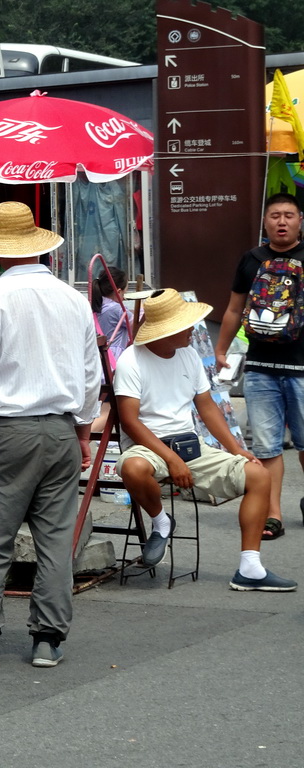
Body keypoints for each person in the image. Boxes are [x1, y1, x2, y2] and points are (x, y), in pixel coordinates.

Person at [0, 201, 100, 670]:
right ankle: (48, 640)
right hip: (61, 430)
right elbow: (91, 376)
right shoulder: (72, 297)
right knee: (55, 541)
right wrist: (84, 432)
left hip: (7, 431)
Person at [115, 289, 296, 592]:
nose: (192, 330)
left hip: (189, 444)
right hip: (147, 447)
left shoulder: (187, 355)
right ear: (167, 331)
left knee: (259, 475)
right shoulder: (131, 360)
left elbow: (207, 406)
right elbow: (130, 421)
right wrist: (171, 459)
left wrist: (237, 449)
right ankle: (161, 522)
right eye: (186, 326)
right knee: (132, 468)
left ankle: (250, 567)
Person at [216, 192, 304, 541]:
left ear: (300, 221)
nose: (282, 222)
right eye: (275, 216)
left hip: (302, 367)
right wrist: (221, 349)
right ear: (265, 222)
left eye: (289, 215)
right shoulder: (251, 260)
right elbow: (235, 309)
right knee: (266, 447)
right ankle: (273, 516)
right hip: (260, 367)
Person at [91, 266, 131, 364]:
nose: (124, 298)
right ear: (118, 292)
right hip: (116, 360)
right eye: (124, 294)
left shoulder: (97, 308)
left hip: (100, 359)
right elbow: (138, 327)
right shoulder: (118, 310)